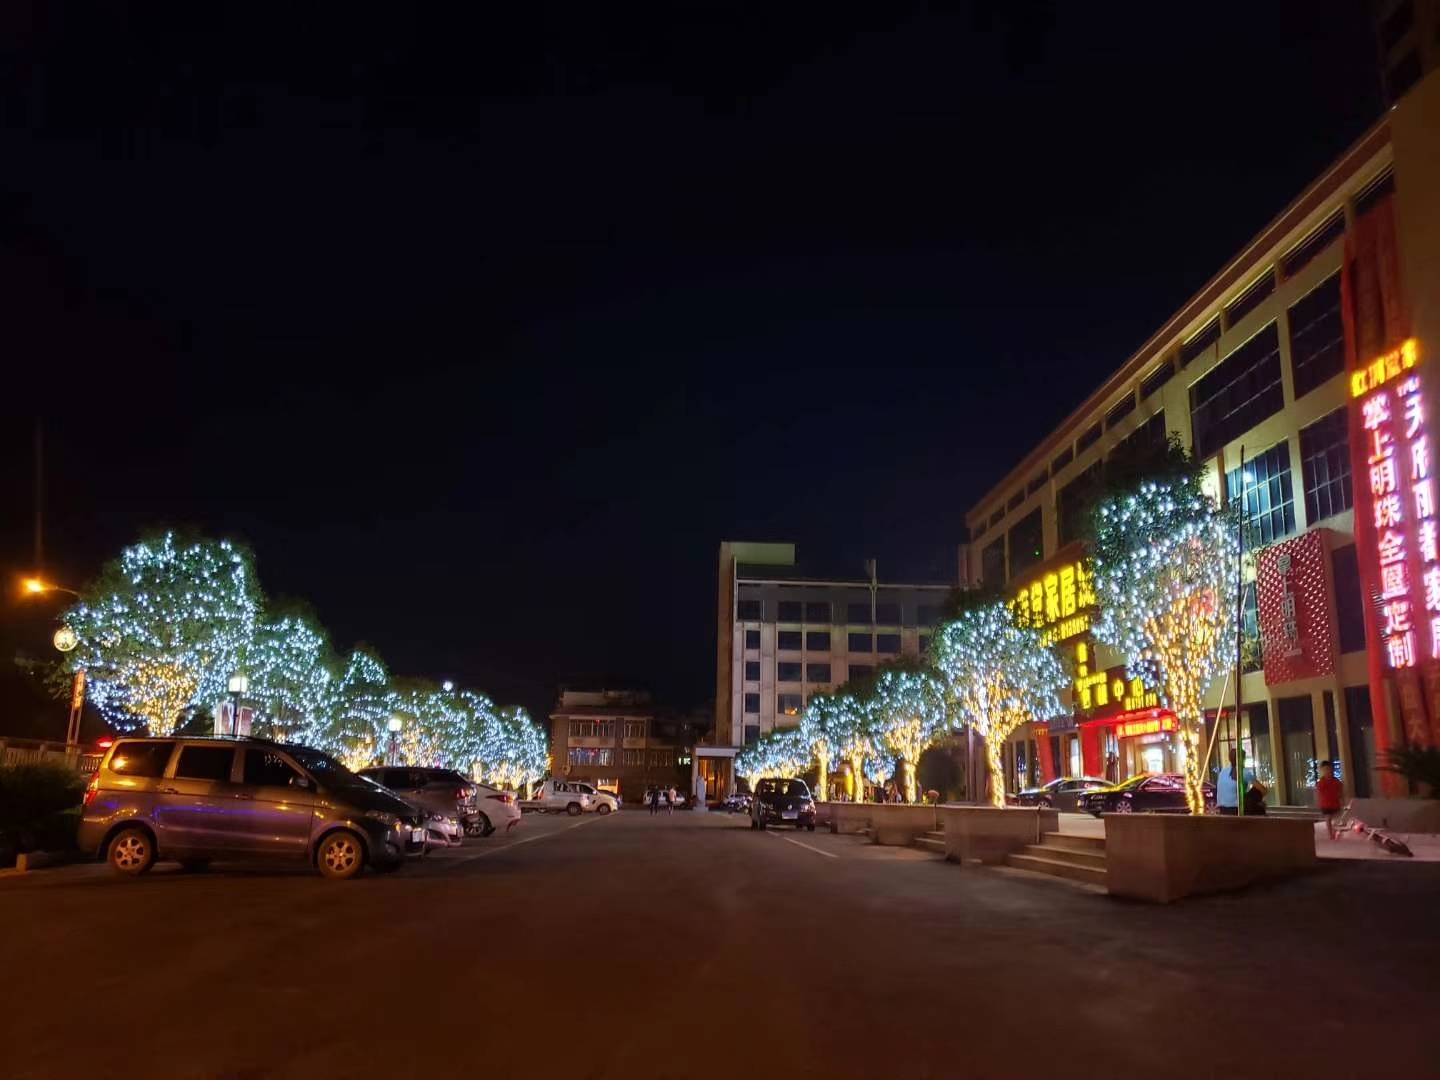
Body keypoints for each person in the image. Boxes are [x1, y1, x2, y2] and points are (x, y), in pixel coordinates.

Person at [1316, 760, 1344, 839]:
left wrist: (1342, 801)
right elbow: (1319, 794)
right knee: (1328, 818)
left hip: (1335, 803)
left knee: (1336, 819)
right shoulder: (1321, 782)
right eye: (1325, 770)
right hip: (1325, 805)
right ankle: (1330, 833)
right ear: (1322, 771)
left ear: (1332, 770)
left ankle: (1334, 831)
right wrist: (1319, 803)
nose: (1327, 771)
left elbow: (1340, 793)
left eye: (1329, 769)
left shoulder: (1336, 782)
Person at [1216, 749, 1242, 815]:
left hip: (1222, 809)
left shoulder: (1222, 772)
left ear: (1229, 759)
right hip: (1235, 809)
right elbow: (1262, 789)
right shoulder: (1242, 772)